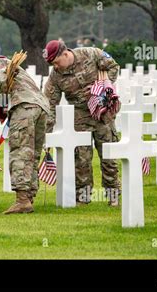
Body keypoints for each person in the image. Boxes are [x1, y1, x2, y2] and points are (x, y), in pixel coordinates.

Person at [43, 39, 121, 206]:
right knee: (81, 159)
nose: (55, 67)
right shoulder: (55, 75)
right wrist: (46, 134)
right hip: (78, 116)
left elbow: (114, 67)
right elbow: (50, 104)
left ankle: (113, 195)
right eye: (52, 64)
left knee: (108, 155)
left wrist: (99, 86)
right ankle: (83, 197)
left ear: (65, 54)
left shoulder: (91, 53)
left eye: (56, 62)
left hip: (102, 111)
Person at [0, 56, 50, 214]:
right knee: (33, 154)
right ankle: (29, 196)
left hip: (24, 107)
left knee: (20, 152)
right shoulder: (19, 70)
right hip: (41, 107)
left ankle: (22, 200)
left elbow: (2, 84)